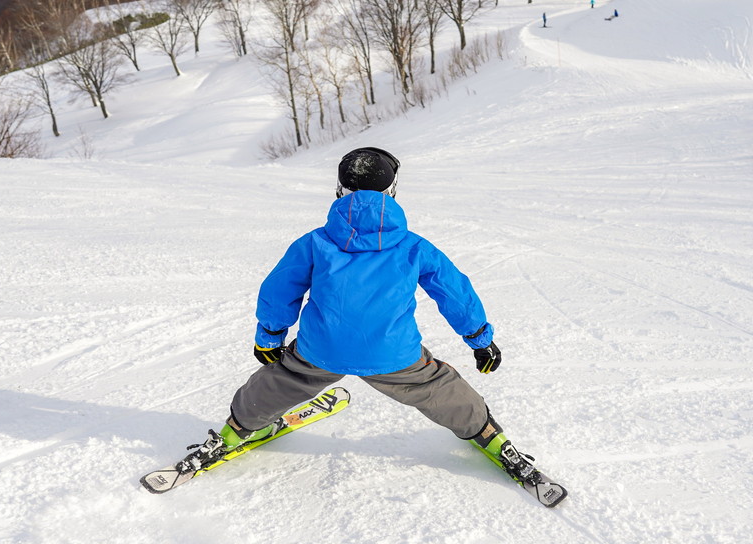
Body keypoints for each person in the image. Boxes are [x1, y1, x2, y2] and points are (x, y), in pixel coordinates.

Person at [183, 147, 545, 485]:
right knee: (439, 387)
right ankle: (489, 436)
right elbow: (454, 292)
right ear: (393, 193)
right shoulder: (413, 245)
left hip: (321, 349)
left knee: (278, 381)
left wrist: (270, 338)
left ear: (340, 191)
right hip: (393, 354)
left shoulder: (315, 242)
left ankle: (235, 431)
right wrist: (480, 339)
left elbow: (279, 291)